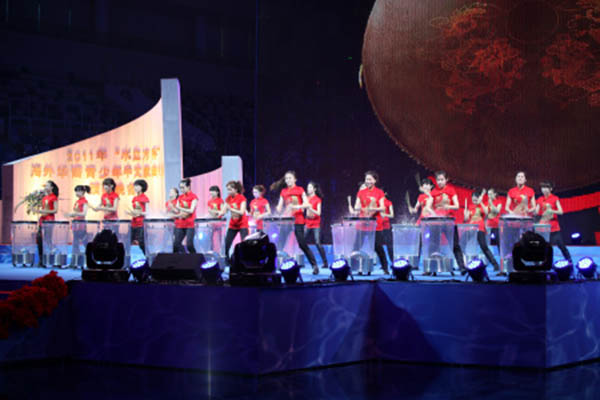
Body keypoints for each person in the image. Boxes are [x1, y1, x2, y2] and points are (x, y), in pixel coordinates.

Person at [271, 171, 319, 275]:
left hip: (298, 220)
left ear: (295, 179)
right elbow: (280, 206)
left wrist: (296, 206)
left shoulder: (300, 190)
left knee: (302, 244)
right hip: (287, 220)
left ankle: (314, 265)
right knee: (280, 244)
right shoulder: (283, 191)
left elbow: (307, 204)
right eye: (286, 178)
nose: (288, 180)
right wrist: (277, 210)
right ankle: (274, 266)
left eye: (290, 178)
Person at [431, 171, 466, 275]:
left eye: (442, 179)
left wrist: (448, 206)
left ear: (446, 180)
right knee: (434, 246)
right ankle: (433, 269)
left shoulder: (451, 190)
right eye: (438, 180)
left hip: (449, 222)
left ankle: (462, 267)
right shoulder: (434, 192)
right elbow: (429, 206)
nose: (440, 182)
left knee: (455, 245)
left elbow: (457, 205)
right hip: (437, 222)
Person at [354, 171, 388, 274]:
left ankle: (385, 268)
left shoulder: (379, 192)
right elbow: (356, 206)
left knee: (377, 247)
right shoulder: (361, 192)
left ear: (375, 180)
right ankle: (357, 268)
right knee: (356, 247)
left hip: (374, 225)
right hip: (362, 224)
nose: (368, 181)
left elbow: (382, 208)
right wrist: (361, 208)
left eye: (370, 179)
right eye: (366, 179)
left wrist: (373, 208)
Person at [464, 189, 500, 272]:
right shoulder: (470, 206)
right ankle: (463, 265)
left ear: (478, 199)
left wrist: (481, 203)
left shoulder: (482, 205)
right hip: (471, 228)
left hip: (480, 228)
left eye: (476, 200)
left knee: (484, 246)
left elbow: (487, 213)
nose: (474, 201)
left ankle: (495, 264)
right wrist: (465, 213)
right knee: (462, 243)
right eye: (473, 200)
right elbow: (466, 219)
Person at [536, 181, 572, 263]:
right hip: (544, 228)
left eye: (546, 187)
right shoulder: (540, 199)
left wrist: (551, 210)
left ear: (551, 189)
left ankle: (569, 261)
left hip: (554, 228)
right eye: (542, 188)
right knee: (543, 247)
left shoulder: (555, 198)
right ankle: (543, 263)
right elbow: (536, 212)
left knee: (561, 246)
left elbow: (561, 211)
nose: (544, 189)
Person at [34, 181, 59, 268]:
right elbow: (43, 209)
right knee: (39, 239)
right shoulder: (44, 198)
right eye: (45, 186)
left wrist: (43, 211)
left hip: (49, 221)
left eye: (47, 186)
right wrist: (39, 211)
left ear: (52, 187)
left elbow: (55, 210)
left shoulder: (54, 197)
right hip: (42, 220)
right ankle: (41, 259)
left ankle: (53, 258)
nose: (45, 187)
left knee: (48, 240)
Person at [304, 181, 328, 269]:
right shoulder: (306, 198)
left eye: (310, 187)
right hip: (307, 223)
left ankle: (325, 262)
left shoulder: (317, 199)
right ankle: (302, 261)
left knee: (317, 242)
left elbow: (318, 213)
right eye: (308, 187)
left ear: (314, 189)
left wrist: (310, 208)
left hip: (316, 224)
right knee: (301, 241)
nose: (308, 189)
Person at [223, 180, 249, 262]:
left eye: (230, 189)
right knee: (227, 243)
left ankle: (245, 260)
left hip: (242, 224)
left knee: (245, 244)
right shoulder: (228, 198)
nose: (228, 192)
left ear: (235, 189)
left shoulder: (242, 198)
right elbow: (223, 211)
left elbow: (242, 212)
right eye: (227, 190)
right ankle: (227, 260)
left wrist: (231, 209)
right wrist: (217, 213)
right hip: (233, 224)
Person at [65, 185, 90, 267]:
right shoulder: (77, 201)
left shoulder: (84, 201)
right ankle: (74, 262)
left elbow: (84, 213)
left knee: (83, 243)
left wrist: (74, 214)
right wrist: (71, 214)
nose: (76, 193)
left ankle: (86, 261)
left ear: (83, 192)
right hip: (76, 224)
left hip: (81, 224)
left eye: (78, 191)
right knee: (75, 243)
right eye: (76, 191)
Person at [173, 178, 197, 253]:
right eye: (180, 188)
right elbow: (178, 210)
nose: (181, 190)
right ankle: (180, 258)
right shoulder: (180, 197)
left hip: (190, 224)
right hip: (180, 224)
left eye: (183, 187)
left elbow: (191, 210)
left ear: (188, 187)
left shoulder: (194, 197)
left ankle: (195, 258)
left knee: (189, 245)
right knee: (176, 245)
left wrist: (180, 208)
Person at [126, 179, 149, 256]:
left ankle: (146, 257)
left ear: (142, 187)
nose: (135, 188)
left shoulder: (145, 198)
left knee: (142, 242)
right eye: (134, 186)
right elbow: (135, 210)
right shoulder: (134, 198)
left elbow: (147, 212)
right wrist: (131, 213)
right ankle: (128, 257)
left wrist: (139, 213)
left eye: (137, 186)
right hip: (134, 222)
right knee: (129, 240)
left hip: (141, 223)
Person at [485, 188, 503, 271]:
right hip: (489, 226)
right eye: (488, 194)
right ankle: (493, 264)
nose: (489, 196)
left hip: (497, 226)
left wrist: (491, 203)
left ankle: (501, 264)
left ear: (495, 194)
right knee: (488, 245)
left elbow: (497, 211)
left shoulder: (498, 202)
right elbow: (486, 213)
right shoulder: (487, 203)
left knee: (499, 244)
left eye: (491, 194)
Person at [381, 190, 395, 265]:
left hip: (386, 226)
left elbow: (392, 215)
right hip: (378, 227)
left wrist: (385, 215)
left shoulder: (388, 202)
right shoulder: (377, 202)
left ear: (385, 193)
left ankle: (393, 261)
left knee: (389, 245)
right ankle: (383, 262)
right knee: (379, 246)